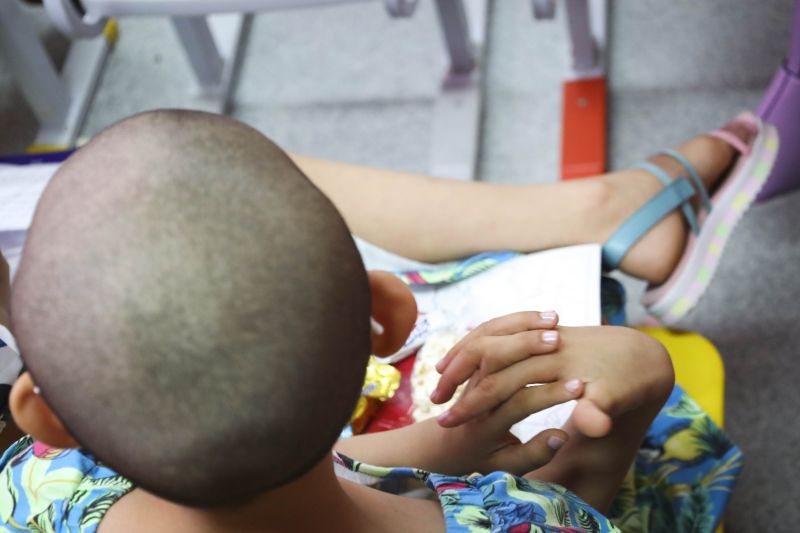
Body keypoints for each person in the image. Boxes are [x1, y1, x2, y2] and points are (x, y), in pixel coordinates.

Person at [0, 109, 749, 531]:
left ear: (43, 412)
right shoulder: (535, 522)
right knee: (634, 401)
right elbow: (574, 499)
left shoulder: (39, 491)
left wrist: (426, 448)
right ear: (389, 321)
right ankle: (609, 215)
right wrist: (639, 389)